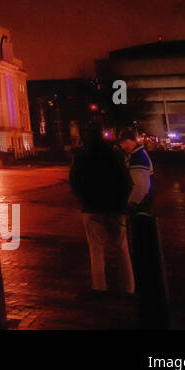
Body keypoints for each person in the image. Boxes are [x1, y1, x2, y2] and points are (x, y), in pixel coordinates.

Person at [68, 123, 134, 294]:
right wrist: (122, 203)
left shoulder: (81, 155)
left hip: (91, 209)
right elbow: (126, 182)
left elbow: (74, 182)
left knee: (96, 250)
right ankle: (128, 288)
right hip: (115, 208)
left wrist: (85, 200)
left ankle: (99, 287)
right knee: (121, 249)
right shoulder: (114, 153)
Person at [117, 127, 153, 213]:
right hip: (142, 202)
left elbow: (140, 186)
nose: (123, 146)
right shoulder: (133, 154)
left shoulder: (138, 158)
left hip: (139, 204)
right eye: (121, 143)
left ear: (134, 141)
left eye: (126, 142)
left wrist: (131, 203)